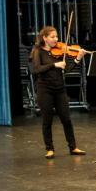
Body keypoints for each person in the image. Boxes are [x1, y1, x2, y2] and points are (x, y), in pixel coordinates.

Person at [29, 26, 88, 159]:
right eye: (52, 37)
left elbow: (65, 70)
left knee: (66, 119)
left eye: (56, 36)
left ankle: (73, 147)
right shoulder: (37, 51)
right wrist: (54, 65)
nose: (56, 39)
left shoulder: (59, 51)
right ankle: (49, 149)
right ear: (44, 38)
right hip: (45, 90)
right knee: (47, 120)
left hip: (60, 89)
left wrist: (78, 58)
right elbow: (36, 69)